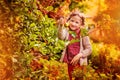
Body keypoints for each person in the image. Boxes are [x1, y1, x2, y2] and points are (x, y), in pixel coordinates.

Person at [58, 9, 92, 80]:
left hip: (80, 62)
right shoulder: (67, 31)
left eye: (77, 22)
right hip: (70, 62)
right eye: (72, 21)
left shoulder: (83, 33)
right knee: (71, 78)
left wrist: (80, 55)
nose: (73, 24)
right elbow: (61, 36)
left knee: (78, 78)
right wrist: (61, 26)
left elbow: (89, 49)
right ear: (68, 20)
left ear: (81, 24)